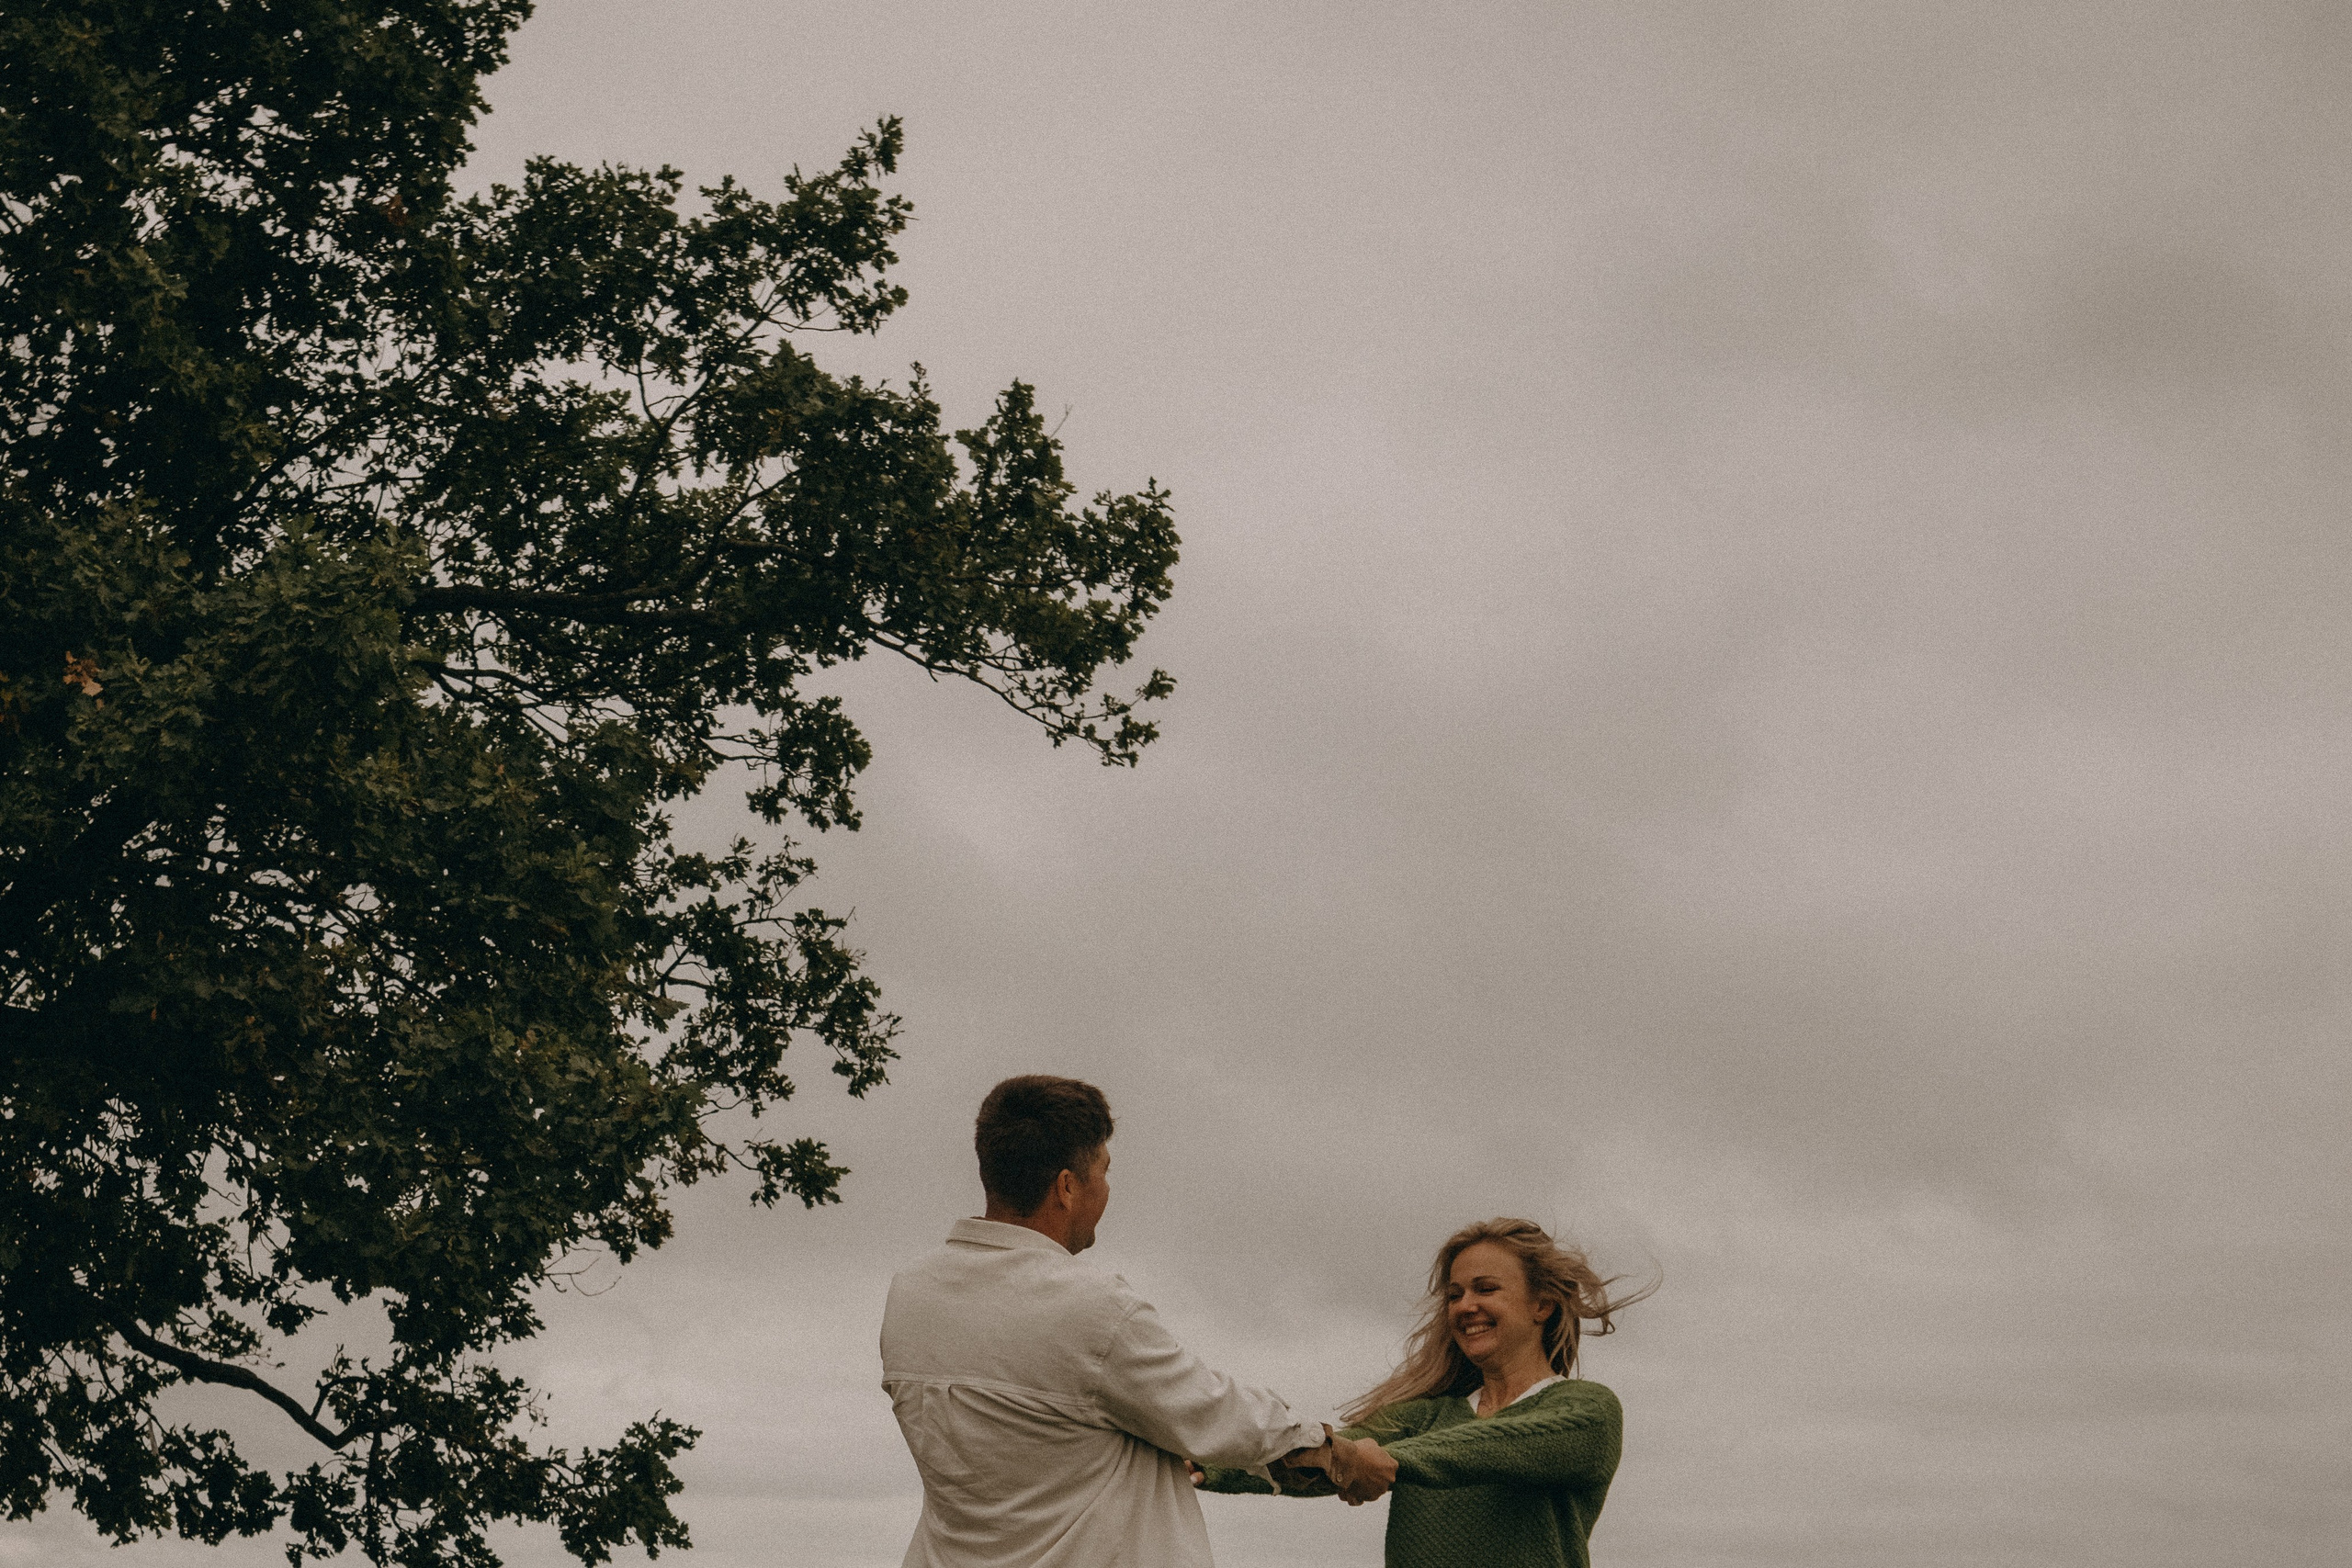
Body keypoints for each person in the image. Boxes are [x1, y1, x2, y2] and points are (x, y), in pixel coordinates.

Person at [879, 1075, 1366, 1567]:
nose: (1108, 1190)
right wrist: (1332, 1450)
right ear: (1067, 1187)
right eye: (1104, 1172)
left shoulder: (909, 1296)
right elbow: (1215, 1413)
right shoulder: (1091, 1308)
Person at [1194, 1217, 1651, 1568]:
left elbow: (1498, 1446)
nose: (1465, 1306)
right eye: (1455, 1294)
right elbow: (1332, 1456)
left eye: (1485, 1289)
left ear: (1542, 1304)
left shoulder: (1586, 1410)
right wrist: (1206, 1464)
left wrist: (1386, 1460)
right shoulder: (1424, 1418)